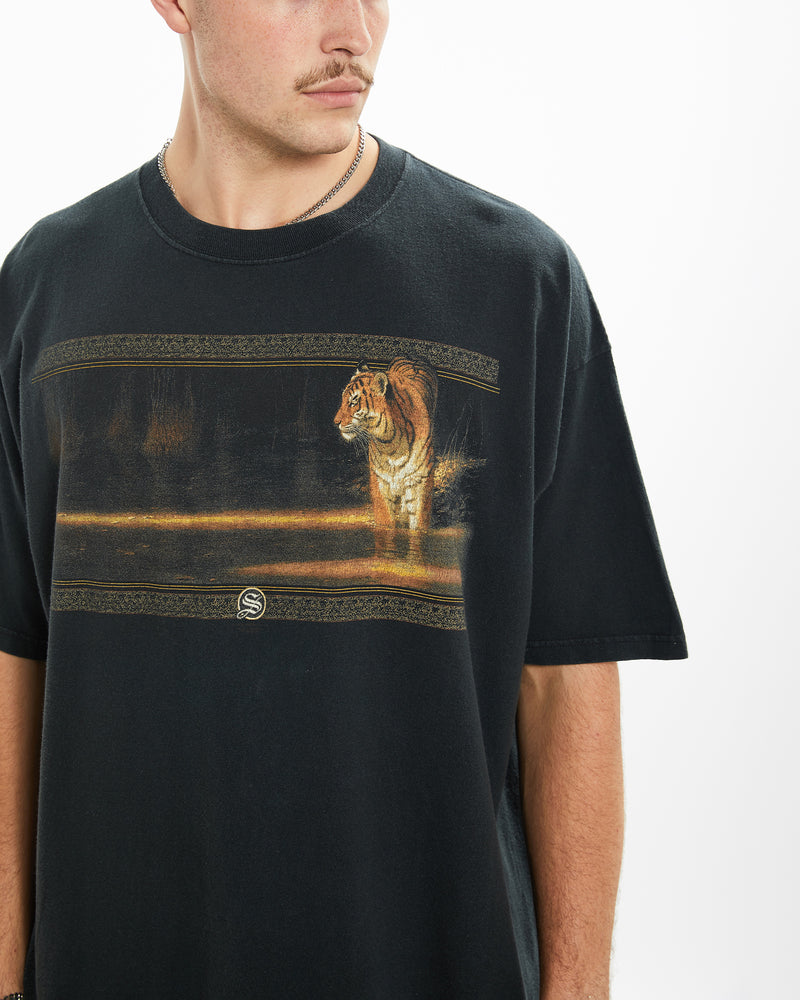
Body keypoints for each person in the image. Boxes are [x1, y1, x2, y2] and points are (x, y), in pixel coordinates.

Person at [0, 1, 687, 997]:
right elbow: (12, 657)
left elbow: (568, 680)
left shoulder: (514, 284)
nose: (351, 32)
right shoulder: (48, 289)